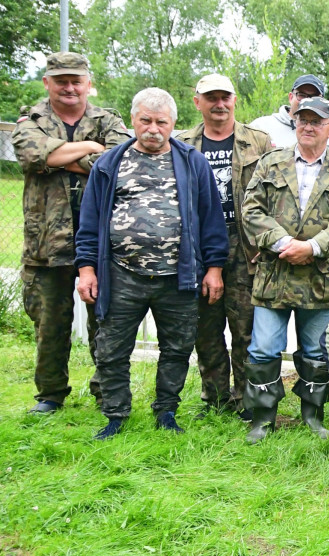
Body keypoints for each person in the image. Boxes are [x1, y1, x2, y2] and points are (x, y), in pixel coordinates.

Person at [74, 88, 229, 439]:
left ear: (173, 123)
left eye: (161, 122)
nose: (153, 129)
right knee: (111, 348)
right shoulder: (109, 163)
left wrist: (215, 268)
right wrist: (86, 269)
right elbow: (89, 221)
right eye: (146, 120)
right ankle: (115, 414)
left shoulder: (193, 162)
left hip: (179, 275)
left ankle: (166, 411)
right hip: (121, 273)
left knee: (177, 348)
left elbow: (211, 220)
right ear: (133, 120)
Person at [238, 97, 329, 444]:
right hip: (274, 276)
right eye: (302, 119)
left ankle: (312, 416)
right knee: (263, 349)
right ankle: (262, 419)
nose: (307, 126)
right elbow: (251, 210)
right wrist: (282, 244)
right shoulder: (270, 164)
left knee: (317, 352)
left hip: (319, 280)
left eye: (316, 121)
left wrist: (311, 247)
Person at [13, 51, 129, 414]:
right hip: (47, 243)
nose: (69, 87)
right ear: (47, 83)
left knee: (105, 323)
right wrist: (92, 150)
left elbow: (119, 161)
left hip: (100, 244)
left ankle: (106, 392)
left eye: (75, 80)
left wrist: (60, 155)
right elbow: (33, 156)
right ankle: (50, 395)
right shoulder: (31, 121)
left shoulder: (108, 119)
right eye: (60, 80)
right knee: (50, 323)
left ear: (87, 83)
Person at [177, 73, 273, 417]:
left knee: (246, 327)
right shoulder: (183, 145)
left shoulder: (259, 142)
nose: (219, 104)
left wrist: (269, 240)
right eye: (211, 98)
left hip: (248, 247)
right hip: (200, 246)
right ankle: (215, 399)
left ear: (234, 100)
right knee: (206, 326)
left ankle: (247, 400)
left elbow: (275, 195)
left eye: (225, 97)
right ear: (198, 102)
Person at [249, 74, 329, 160]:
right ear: (290, 97)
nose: (306, 101)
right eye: (302, 95)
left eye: (314, 97)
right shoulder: (261, 127)